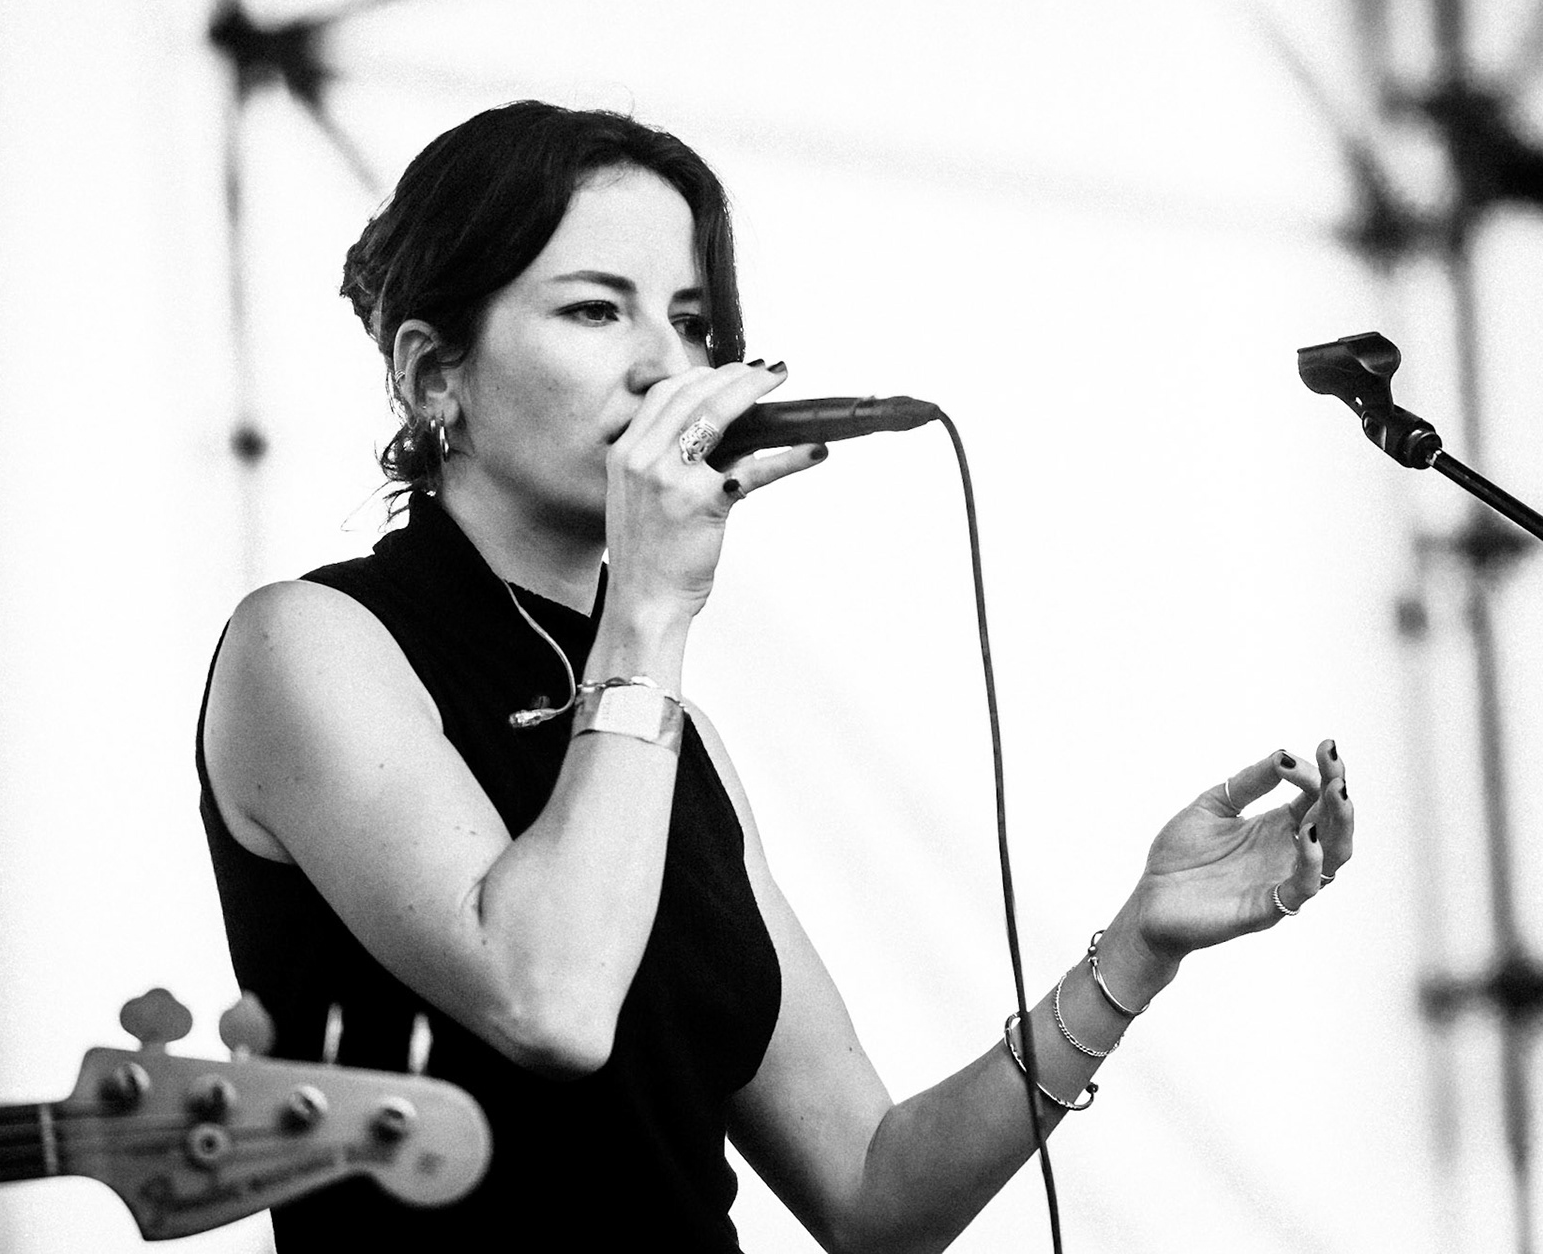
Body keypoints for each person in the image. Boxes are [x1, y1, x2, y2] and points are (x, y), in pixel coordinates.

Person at [197, 100, 1356, 1252]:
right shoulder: (308, 643)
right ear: (430, 373)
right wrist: (650, 607)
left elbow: (873, 1193)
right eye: (596, 309)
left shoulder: (672, 737)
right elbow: (550, 1001)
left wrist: (1137, 947)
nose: (667, 367)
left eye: (692, 322)